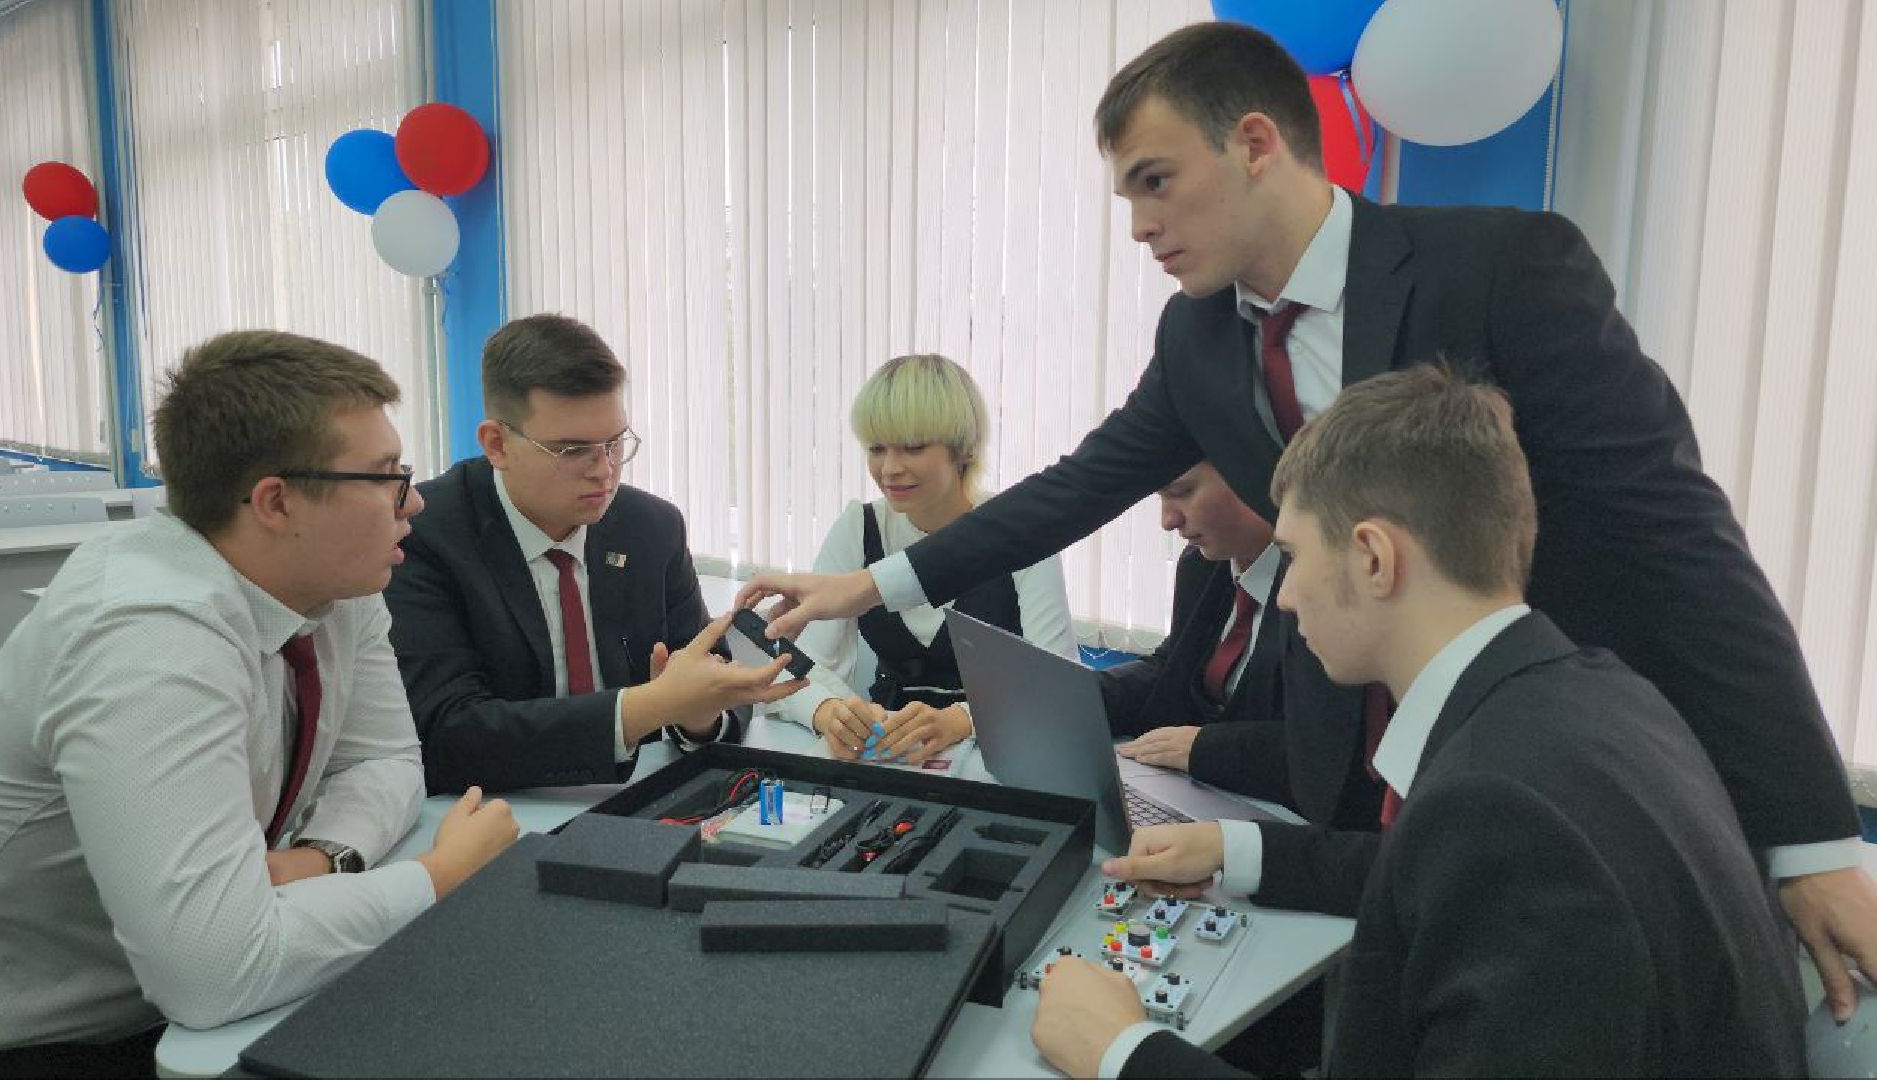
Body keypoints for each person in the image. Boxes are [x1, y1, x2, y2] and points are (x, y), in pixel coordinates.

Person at [740, 20, 1877, 1008]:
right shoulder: (1197, 337)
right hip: (1341, 774)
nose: (1136, 226)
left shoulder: (1501, 269)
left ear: (1254, 142)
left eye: (1154, 181)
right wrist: (869, 584)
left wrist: (1810, 837)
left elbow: (1678, 543)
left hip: (1540, 745)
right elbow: (1078, 486)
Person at [1033, 365, 1806, 1078]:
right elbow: (1432, 879)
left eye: (1295, 557)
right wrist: (1234, 849)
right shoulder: (1599, 696)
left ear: (1373, 558)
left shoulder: (1499, 810)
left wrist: (1123, 1053)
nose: (1287, 596)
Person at [0, 331, 518, 1073]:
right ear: (276, 502)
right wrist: (440, 879)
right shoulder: (146, 636)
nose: (412, 499)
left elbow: (385, 760)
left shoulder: (336, 579)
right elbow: (211, 974)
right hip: (44, 1039)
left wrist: (323, 857)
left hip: (204, 998)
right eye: (387, 476)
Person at [384, 314, 803, 795]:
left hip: (638, 798)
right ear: (497, 444)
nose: (604, 471)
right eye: (572, 450)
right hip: (487, 809)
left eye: (614, 443)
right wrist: (648, 707)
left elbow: (712, 677)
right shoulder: (423, 534)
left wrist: (699, 717)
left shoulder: (651, 527)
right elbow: (447, 732)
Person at [769, 354, 1077, 764]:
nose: (889, 469)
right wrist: (830, 712)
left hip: (999, 749)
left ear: (963, 449)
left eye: (912, 448)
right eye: (877, 449)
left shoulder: (1021, 533)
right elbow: (799, 667)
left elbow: (1059, 685)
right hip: (889, 753)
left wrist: (962, 719)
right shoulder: (858, 527)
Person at [1104, 461, 1379, 832]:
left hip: (1295, 825)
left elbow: (1329, 749)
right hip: (1214, 796)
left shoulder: (1321, 588)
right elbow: (1173, 667)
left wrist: (1207, 749)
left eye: (1182, 492)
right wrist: (1084, 696)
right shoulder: (1203, 565)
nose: (1168, 520)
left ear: (1251, 476)